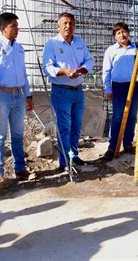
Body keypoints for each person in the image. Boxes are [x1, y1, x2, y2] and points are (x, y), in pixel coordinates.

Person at [0, 12, 34, 188]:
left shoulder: (19, 49)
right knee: (0, 135)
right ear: (3, 28)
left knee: (18, 134)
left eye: (17, 25)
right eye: (13, 25)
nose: (17, 29)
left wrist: (28, 95)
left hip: (18, 95)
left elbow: (24, 74)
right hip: (1, 95)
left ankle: (20, 168)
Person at [42, 12, 94, 172]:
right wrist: (65, 71)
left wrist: (82, 70)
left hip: (78, 91)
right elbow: (48, 67)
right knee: (64, 126)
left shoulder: (79, 42)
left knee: (76, 126)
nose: (68, 26)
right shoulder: (52, 44)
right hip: (61, 91)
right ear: (58, 26)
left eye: (71, 23)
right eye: (64, 23)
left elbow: (90, 60)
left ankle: (74, 156)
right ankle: (64, 162)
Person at [101, 22, 138, 161]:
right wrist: (108, 88)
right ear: (115, 37)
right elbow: (106, 71)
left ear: (128, 33)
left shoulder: (136, 49)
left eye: (124, 31)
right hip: (118, 87)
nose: (122, 35)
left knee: (132, 116)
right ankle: (112, 147)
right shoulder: (111, 50)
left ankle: (128, 143)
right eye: (118, 33)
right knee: (117, 116)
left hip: (133, 85)